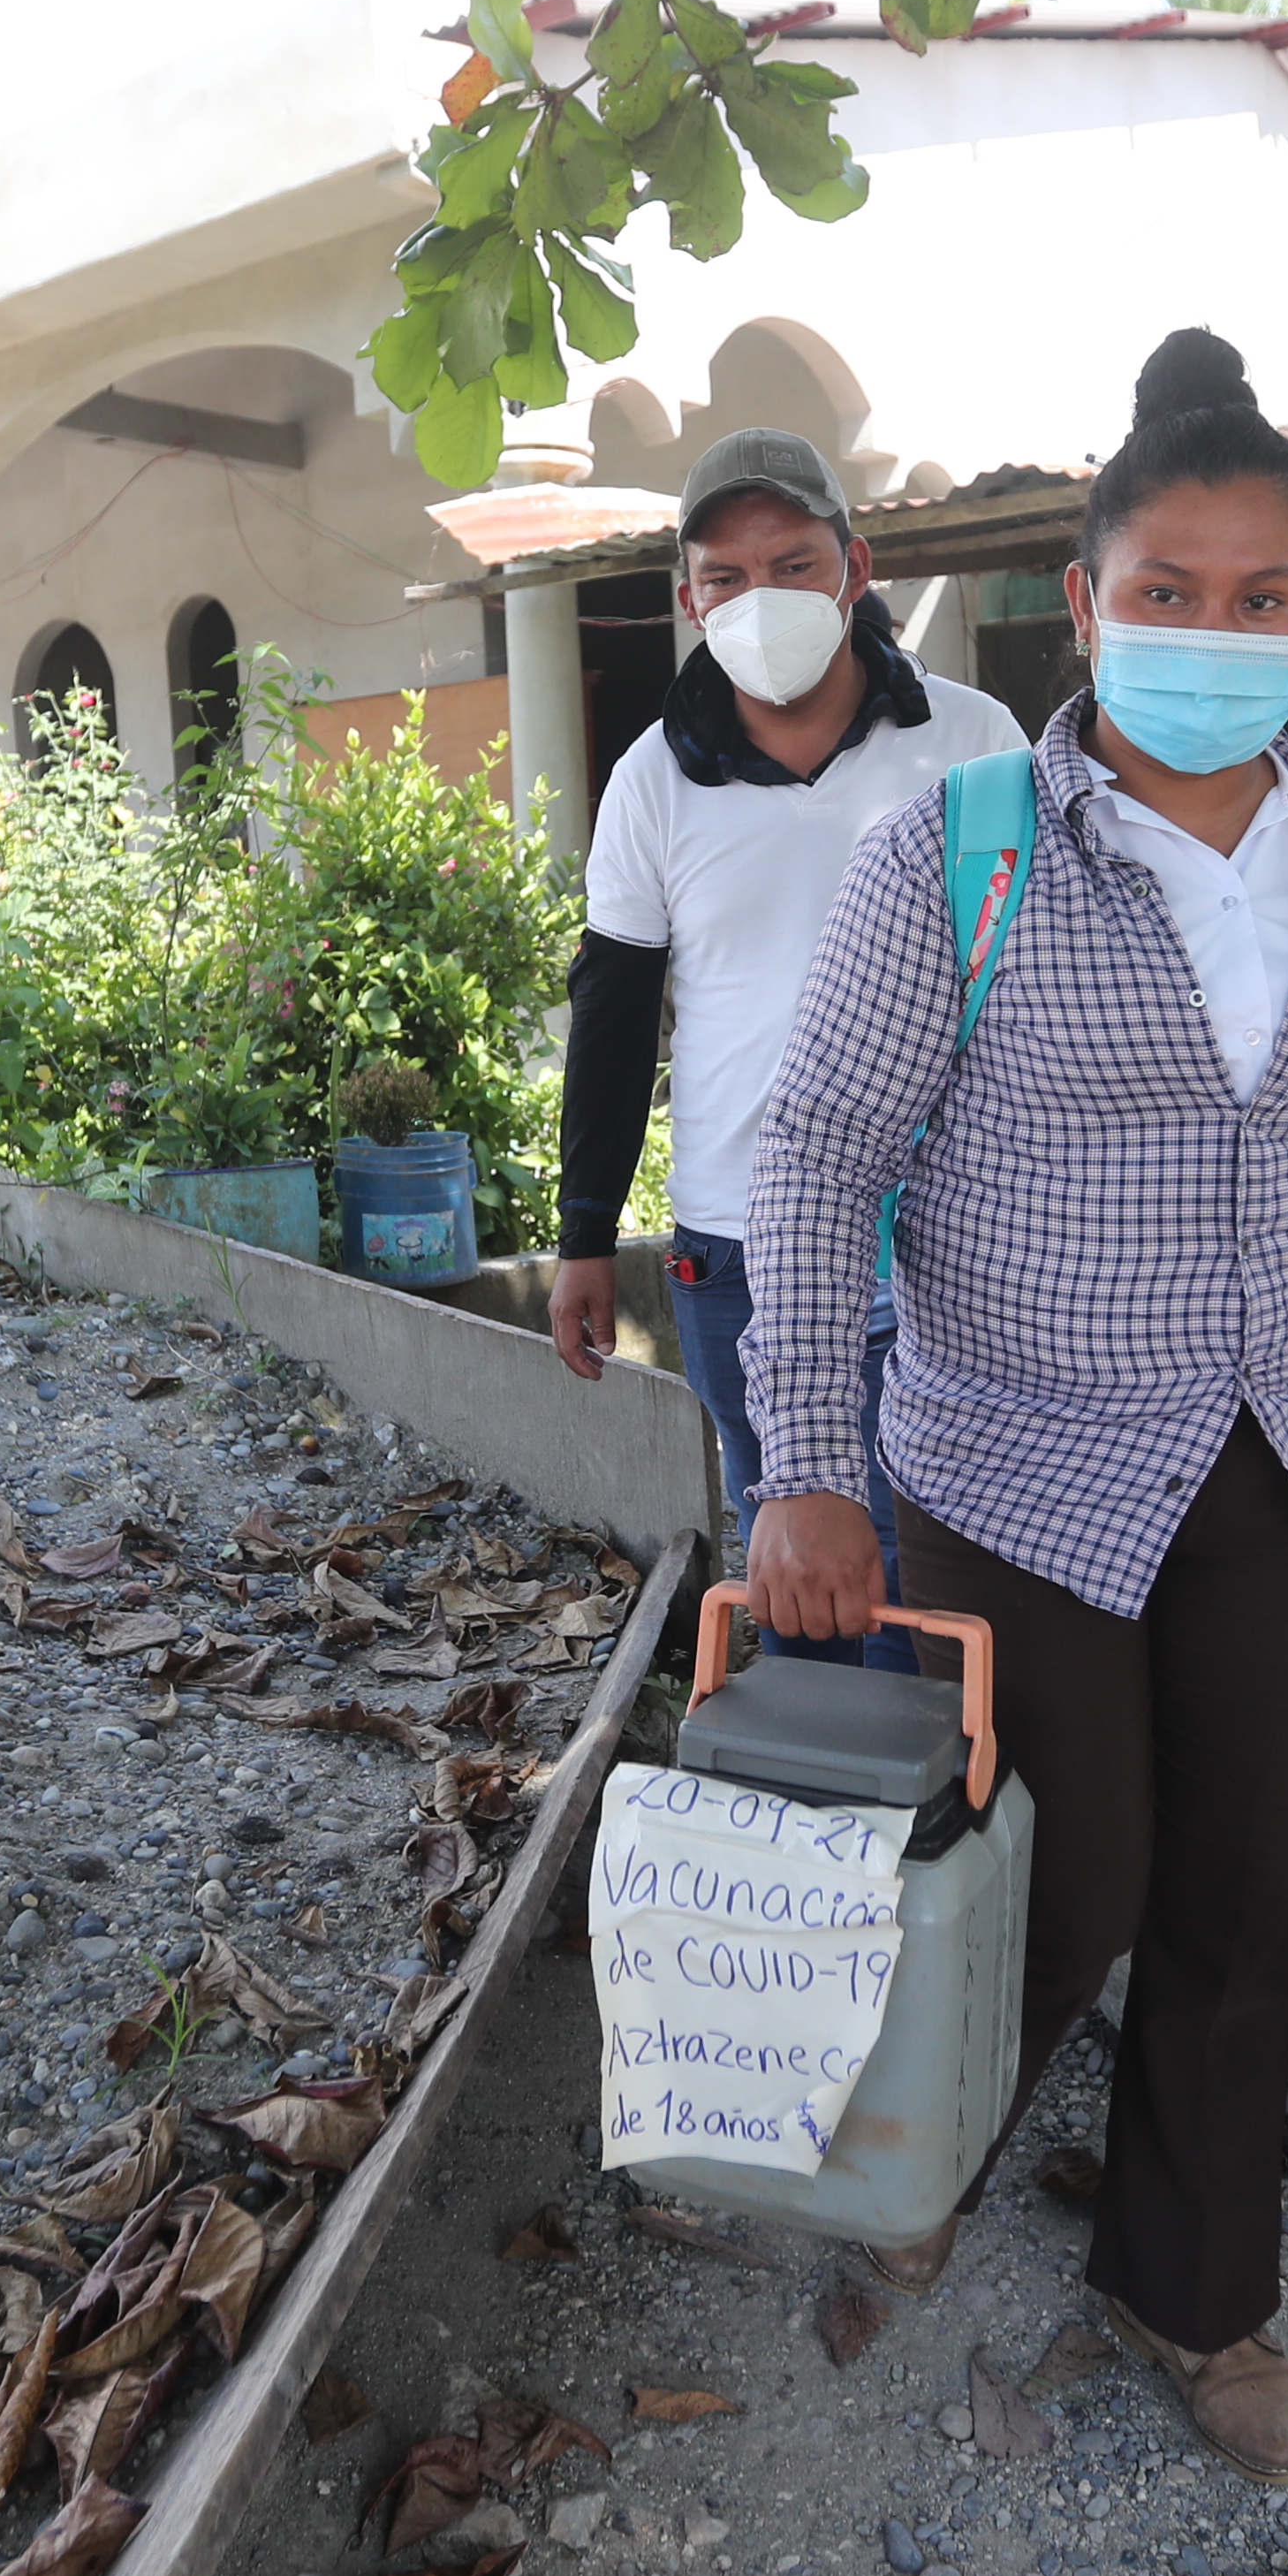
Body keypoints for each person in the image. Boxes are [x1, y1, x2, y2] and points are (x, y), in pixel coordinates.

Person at [732, 329, 1288, 2478]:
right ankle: (909, 2146)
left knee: (1231, 1890)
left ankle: (1188, 2292)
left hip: (1283, 1454)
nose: (1215, 632)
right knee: (1065, 1865)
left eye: (1263, 596)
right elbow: (818, 1155)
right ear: (1085, 606)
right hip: (1015, 1446)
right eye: (1169, 593)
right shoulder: (965, 851)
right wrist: (812, 1467)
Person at [548, 425, 1026, 1664]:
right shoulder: (653, 779)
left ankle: (942, 1828)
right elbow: (614, 1007)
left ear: (855, 567)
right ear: (687, 599)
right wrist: (586, 1232)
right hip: (738, 1236)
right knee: (795, 1562)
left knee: (939, 1562)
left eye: (795, 564)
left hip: (948, 1231)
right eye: (726, 576)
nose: (763, 599)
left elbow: (1038, 988)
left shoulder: (976, 747)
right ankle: (821, 1827)